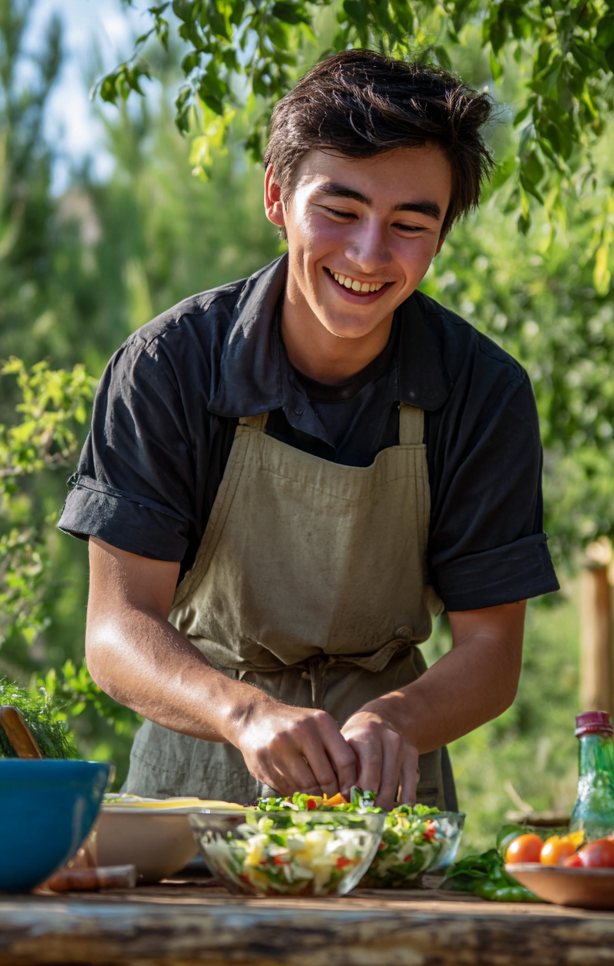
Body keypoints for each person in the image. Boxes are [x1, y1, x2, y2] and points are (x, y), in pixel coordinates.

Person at [58, 50, 559, 810]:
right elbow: (117, 631)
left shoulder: (483, 392)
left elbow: (491, 651)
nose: (368, 254)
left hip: (389, 799)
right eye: (340, 210)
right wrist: (245, 713)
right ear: (276, 196)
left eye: (409, 224)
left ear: (441, 235)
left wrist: (399, 719)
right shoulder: (168, 367)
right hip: (196, 794)